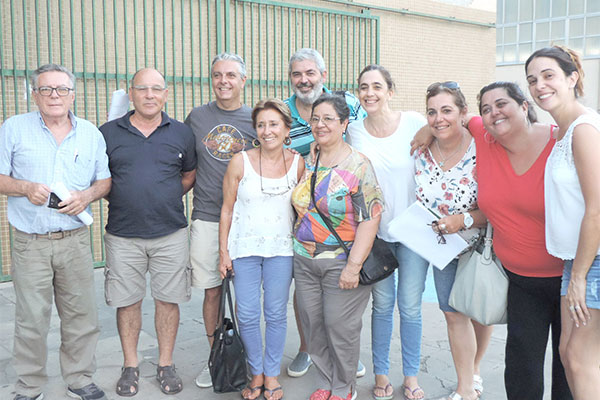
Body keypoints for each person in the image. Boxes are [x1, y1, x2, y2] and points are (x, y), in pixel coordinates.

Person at [0, 64, 111, 400]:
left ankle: (79, 378)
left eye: (62, 89)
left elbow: (104, 181)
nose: (54, 96)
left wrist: (86, 196)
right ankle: (29, 385)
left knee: (81, 315)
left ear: (72, 95)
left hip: (75, 241)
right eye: (46, 89)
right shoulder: (13, 128)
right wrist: (24, 187)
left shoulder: (90, 133)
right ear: (34, 94)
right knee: (31, 318)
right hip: (30, 242)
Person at [100, 68, 196, 396]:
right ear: (131, 94)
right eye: (142, 89)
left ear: (166, 94)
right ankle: (130, 366)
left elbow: (189, 174)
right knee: (127, 302)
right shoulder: (108, 133)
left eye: (156, 89)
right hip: (122, 235)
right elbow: (101, 179)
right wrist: (131, 197)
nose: (150, 95)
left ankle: (165, 363)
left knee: (168, 300)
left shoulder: (181, 133)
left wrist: (162, 196)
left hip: (170, 233)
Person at [475, 81, 572, 399]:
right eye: (486, 109)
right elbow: (452, 117)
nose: (493, 113)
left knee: (570, 364)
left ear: (524, 106)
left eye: (501, 104)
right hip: (520, 281)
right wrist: (425, 131)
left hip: (570, 278)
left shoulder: (562, 140)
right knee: (521, 366)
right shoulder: (484, 138)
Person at [292, 93, 383, 400]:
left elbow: (371, 217)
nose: (320, 124)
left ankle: (344, 387)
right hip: (304, 259)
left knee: (339, 326)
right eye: (315, 119)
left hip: (342, 260)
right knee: (312, 324)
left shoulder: (358, 164)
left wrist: (353, 267)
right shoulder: (308, 160)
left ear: (344, 124)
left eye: (328, 119)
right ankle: (326, 380)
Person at [346, 65, 430, 400]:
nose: (370, 93)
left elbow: (453, 124)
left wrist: (430, 130)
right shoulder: (354, 131)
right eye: (364, 87)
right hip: (375, 234)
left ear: (390, 91)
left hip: (413, 232)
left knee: (410, 307)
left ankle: (411, 376)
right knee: (382, 306)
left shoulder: (413, 122)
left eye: (377, 86)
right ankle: (380, 374)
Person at [285, 48, 367, 379]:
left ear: (323, 75)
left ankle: (342, 353)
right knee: (306, 299)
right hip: (303, 216)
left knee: (340, 305)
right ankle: (308, 348)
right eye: (297, 74)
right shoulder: (285, 112)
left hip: (344, 213)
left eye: (310, 73)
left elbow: (371, 131)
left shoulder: (348, 105)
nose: (304, 80)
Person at [525, 46, 600, 399]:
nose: (539, 85)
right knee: (568, 354)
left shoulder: (584, 130)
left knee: (581, 360)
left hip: (593, 262)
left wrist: (580, 276)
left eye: (548, 76)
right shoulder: (561, 131)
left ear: (572, 78)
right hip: (576, 259)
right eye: (532, 80)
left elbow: (596, 208)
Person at [219, 98, 304, 400]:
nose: (267, 131)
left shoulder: (298, 163)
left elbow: (303, 210)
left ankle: (271, 374)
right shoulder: (239, 161)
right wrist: (223, 252)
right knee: (247, 313)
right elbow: (227, 209)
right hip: (244, 249)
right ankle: (255, 372)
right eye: (261, 125)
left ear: (286, 129)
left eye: (274, 124)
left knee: (276, 313)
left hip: (281, 249)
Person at [184, 52, 257, 389]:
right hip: (208, 218)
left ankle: (247, 359)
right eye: (217, 75)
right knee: (212, 293)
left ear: (243, 80)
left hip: (248, 222)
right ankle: (217, 360)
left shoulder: (255, 120)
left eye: (230, 75)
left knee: (246, 297)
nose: (223, 81)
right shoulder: (197, 118)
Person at [416, 82, 492, 400]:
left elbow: (498, 204)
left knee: (480, 311)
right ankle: (465, 386)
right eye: (432, 112)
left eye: (447, 110)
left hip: (480, 245)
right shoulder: (421, 149)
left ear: (463, 113)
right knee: (452, 313)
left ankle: (474, 370)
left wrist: (463, 220)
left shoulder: (482, 148)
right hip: (441, 247)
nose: (439, 118)